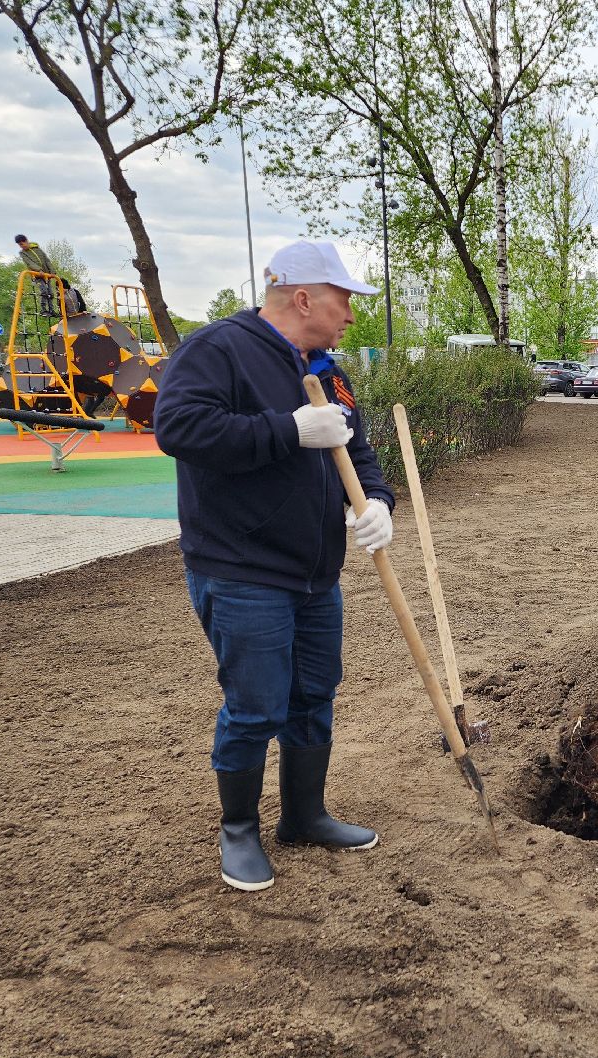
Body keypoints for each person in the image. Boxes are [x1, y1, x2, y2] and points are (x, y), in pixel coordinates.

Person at [154, 240, 394, 893]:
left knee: (313, 696)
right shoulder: (218, 351)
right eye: (344, 300)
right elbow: (177, 427)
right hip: (240, 568)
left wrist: (377, 500)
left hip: (315, 572)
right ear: (304, 296)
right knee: (257, 706)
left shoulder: (328, 370)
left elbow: (359, 451)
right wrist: (287, 430)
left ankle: (304, 815)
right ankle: (240, 832)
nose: (350, 314)